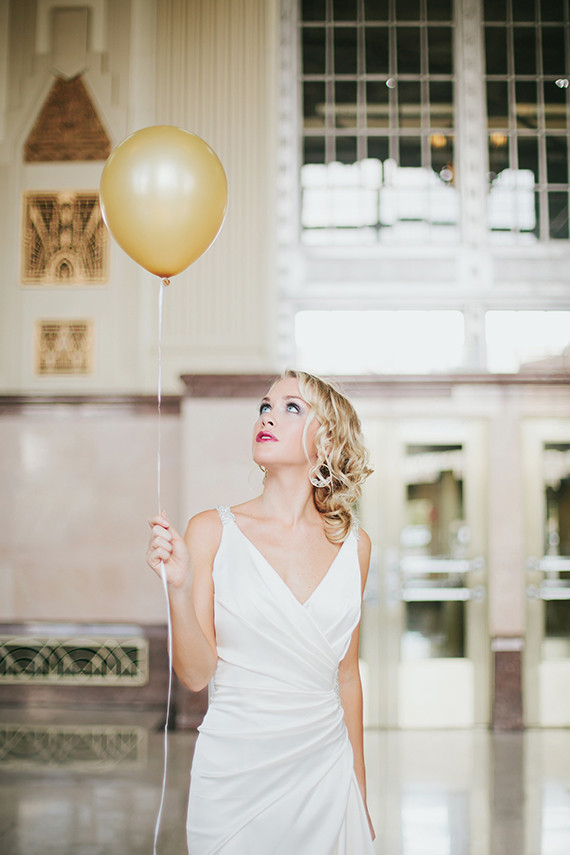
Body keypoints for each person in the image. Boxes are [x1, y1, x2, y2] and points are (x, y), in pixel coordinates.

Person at [147, 369, 375, 854]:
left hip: (325, 774)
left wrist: (359, 787)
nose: (268, 416)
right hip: (234, 776)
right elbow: (194, 675)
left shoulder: (356, 546)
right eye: (265, 406)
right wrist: (179, 589)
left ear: (328, 438)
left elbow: (347, 676)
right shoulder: (212, 530)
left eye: (292, 407)